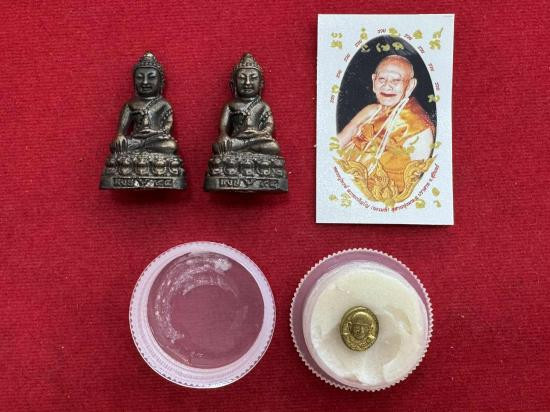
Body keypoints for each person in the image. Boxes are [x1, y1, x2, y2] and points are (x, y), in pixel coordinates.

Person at [337, 55, 435, 196]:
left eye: (396, 80)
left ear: (410, 85)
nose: (387, 86)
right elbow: (338, 142)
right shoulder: (371, 110)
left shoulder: (418, 127)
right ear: (374, 81)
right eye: (382, 79)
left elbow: (414, 184)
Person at [110, 52, 178, 154]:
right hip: (135, 140)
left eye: (151, 77)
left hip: (155, 139)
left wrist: (154, 133)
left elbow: (166, 129)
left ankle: (143, 147)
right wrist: (120, 136)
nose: (145, 82)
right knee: (116, 146)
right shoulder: (130, 105)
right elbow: (121, 131)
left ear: (161, 82)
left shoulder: (164, 104)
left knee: (170, 145)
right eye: (139, 77)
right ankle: (141, 146)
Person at [213, 53, 280, 155]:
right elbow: (223, 127)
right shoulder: (230, 106)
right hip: (237, 140)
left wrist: (259, 133)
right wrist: (223, 136)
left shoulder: (263, 106)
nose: (247, 83)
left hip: (257, 139)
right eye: (242, 78)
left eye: (253, 78)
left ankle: (246, 148)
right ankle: (247, 148)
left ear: (261, 84)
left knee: (273, 146)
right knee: (218, 146)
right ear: (233, 84)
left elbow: (269, 126)